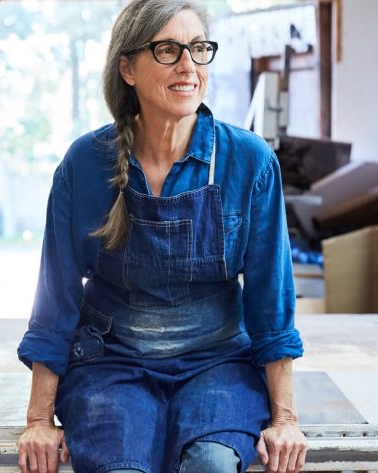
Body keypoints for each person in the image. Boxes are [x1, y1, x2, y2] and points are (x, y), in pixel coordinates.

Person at [16, 1, 306, 472]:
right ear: (127, 68)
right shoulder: (85, 164)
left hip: (219, 362)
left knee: (210, 464)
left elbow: (271, 298)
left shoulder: (249, 162)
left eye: (198, 48)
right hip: (111, 362)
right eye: (168, 50)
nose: (188, 66)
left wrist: (286, 418)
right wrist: (38, 418)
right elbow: (56, 297)